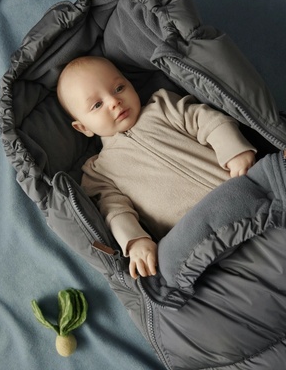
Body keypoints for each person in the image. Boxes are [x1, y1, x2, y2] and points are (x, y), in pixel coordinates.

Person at [57, 56, 256, 279]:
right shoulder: (100, 172)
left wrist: (234, 150)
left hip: (245, 190)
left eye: (119, 88)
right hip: (202, 242)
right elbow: (115, 211)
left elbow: (207, 120)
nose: (114, 101)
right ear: (83, 127)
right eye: (97, 105)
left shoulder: (163, 107)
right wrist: (135, 241)